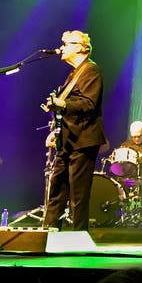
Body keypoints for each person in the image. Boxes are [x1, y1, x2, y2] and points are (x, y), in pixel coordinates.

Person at [43, 30, 107, 231]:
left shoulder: (91, 71)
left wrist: (61, 103)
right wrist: (56, 129)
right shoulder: (74, 73)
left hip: (84, 139)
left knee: (78, 193)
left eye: (66, 44)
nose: (61, 48)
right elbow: (67, 107)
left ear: (80, 47)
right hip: (68, 138)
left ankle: (78, 235)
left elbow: (88, 103)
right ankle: (50, 230)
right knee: (57, 187)